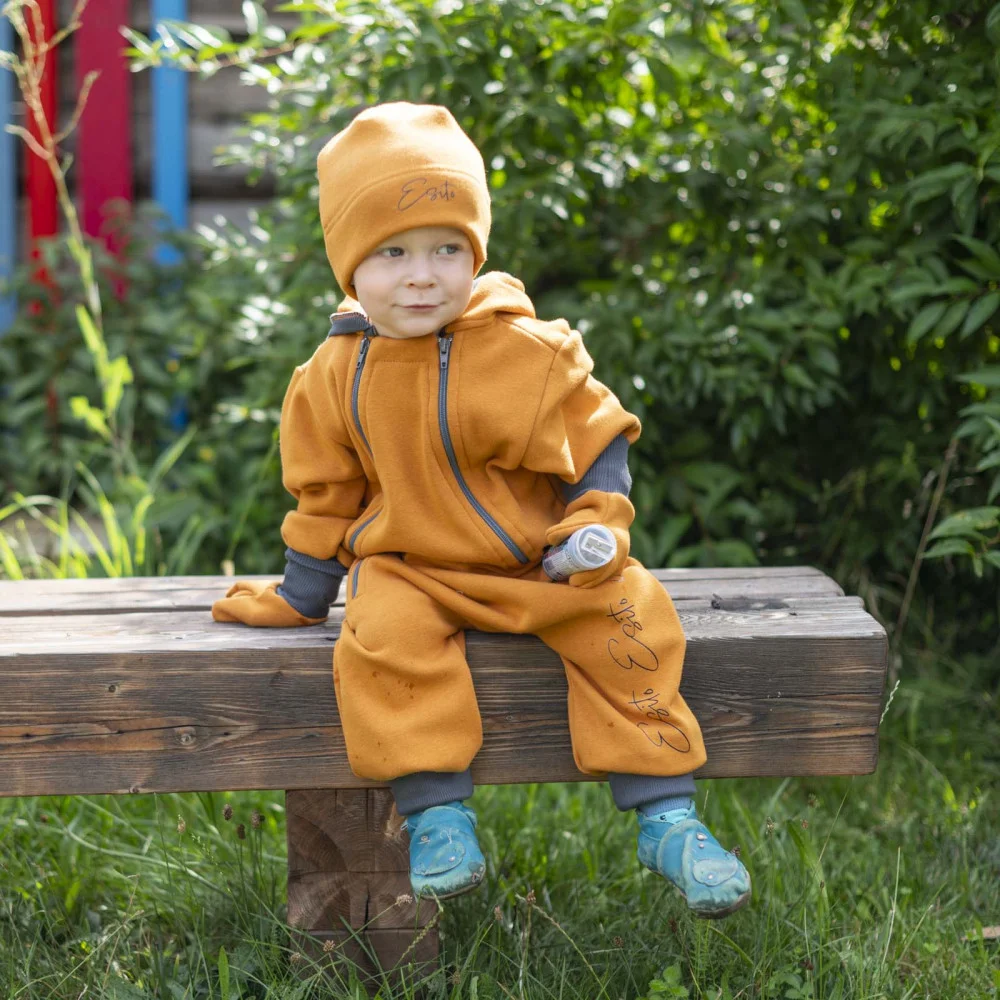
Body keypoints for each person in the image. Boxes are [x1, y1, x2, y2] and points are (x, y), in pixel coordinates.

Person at [212, 102, 751, 919]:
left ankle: (668, 817)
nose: (422, 275)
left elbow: (595, 435)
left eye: (447, 249)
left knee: (631, 617)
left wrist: (594, 525)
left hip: (540, 565)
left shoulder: (524, 350)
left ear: (476, 252)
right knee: (381, 637)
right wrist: (302, 593)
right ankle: (437, 818)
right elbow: (325, 494)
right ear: (348, 266)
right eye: (391, 252)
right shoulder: (332, 375)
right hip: (414, 570)